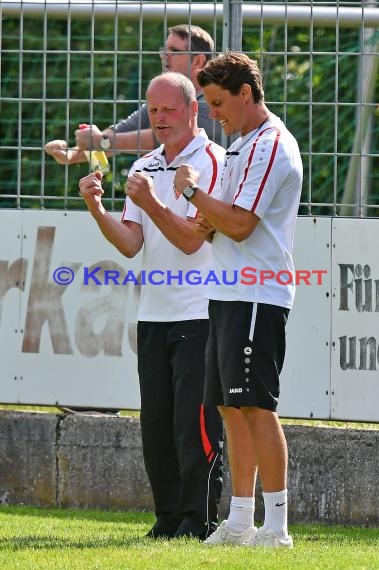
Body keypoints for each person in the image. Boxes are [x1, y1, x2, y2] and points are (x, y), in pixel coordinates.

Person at [78, 71, 225, 539]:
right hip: (153, 315)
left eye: (168, 110)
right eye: (153, 110)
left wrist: (151, 202)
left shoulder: (214, 162)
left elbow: (189, 242)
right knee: (156, 426)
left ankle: (198, 520)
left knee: (194, 426)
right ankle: (166, 519)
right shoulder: (144, 166)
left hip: (200, 313)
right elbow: (129, 244)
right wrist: (97, 209)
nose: (160, 120)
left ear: (192, 110)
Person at [174, 52, 303, 548]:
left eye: (218, 102)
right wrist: (205, 209)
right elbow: (215, 226)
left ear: (245, 94)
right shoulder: (241, 146)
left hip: (257, 293)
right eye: (208, 103)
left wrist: (192, 194)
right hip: (228, 292)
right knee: (231, 407)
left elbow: (240, 224)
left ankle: (277, 529)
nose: (213, 113)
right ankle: (241, 520)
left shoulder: (271, 144)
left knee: (256, 407)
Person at [45, 24, 221, 165]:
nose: (164, 56)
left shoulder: (213, 100)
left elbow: (167, 137)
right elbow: (118, 134)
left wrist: (102, 141)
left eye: (174, 51)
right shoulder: (163, 99)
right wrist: (71, 155)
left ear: (198, 60)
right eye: (164, 50)